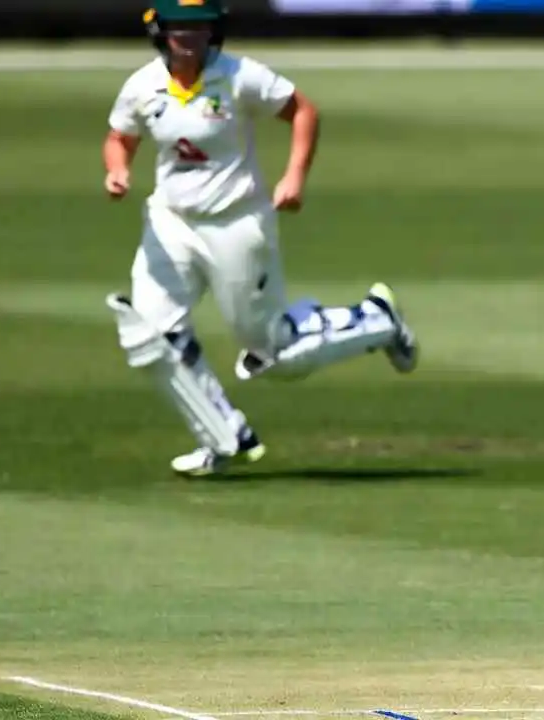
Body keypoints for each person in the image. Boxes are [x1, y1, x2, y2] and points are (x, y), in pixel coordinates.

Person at [102, 0, 418, 477]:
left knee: (274, 354)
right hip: (170, 224)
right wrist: (118, 170)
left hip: (237, 224)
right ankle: (224, 436)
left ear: (216, 31)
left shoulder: (239, 76)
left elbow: (303, 112)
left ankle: (377, 320)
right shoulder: (142, 86)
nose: (190, 37)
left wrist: (294, 177)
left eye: (201, 28)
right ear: (160, 31)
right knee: (150, 333)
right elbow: (119, 136)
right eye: (180, 28)